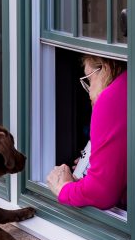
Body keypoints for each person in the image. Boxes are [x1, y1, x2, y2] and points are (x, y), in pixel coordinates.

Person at [46, 55, 127, 210]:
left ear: (105, 68)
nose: (89, 92)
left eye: (89, 80)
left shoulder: (109, 99)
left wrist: (64, 188)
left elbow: (101, 194)